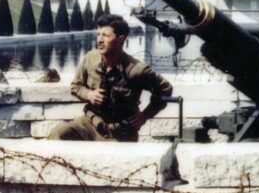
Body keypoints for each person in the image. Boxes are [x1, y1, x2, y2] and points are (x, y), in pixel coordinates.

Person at [48, 13, 173, 141]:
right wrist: (88, 94)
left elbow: (166, 89)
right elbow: (76, 86)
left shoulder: (137, 70)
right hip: (89, 124)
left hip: (120, 133)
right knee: (58, 134)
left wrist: (145, 115)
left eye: (106, 35)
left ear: (121, 39)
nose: (99, 40)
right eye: (98, 34)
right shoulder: (90, 59)